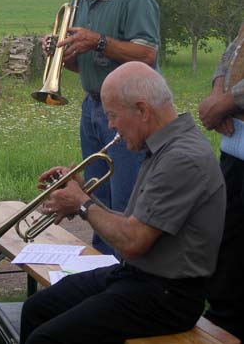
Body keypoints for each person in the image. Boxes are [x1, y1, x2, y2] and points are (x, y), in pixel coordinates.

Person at [20, 61, 225, 344]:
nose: (110, 125)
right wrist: (85, 196)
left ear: (142, 109)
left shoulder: (181, 158)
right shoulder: (164, 146)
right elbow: (132, 227)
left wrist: (81, 204)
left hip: (167, 297)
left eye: (112, 115)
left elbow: (132, 240)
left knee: (46, 339)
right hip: (137, 276)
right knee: (37, 309)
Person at [46, 0, 160, 254]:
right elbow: (86, 64)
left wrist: (97, 41)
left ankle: (126, 280)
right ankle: (99, 274)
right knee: (96, 201)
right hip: (93, 107)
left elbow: (147, 55)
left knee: (125, 202)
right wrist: (60, 56)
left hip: (131, 114)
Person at [199, 21, 244, 342]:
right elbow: (233, 50)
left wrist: (227, 102)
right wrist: (218, 92)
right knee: (228, 245)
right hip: (235, 151)